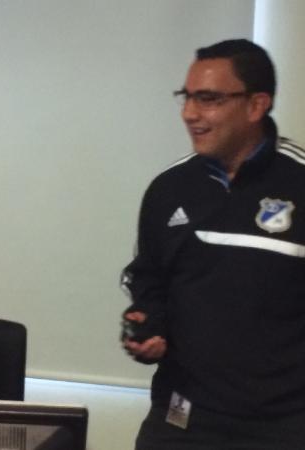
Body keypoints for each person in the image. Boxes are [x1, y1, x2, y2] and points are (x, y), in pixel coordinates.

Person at [121, 39, 305, 449]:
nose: (190, 113)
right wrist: (146, 327)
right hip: (182, 416)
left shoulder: (299, 183)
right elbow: (148, 280)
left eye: (208, 99)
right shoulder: (169, 188)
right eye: (186, 97)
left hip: (285, 426)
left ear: (256, 105)